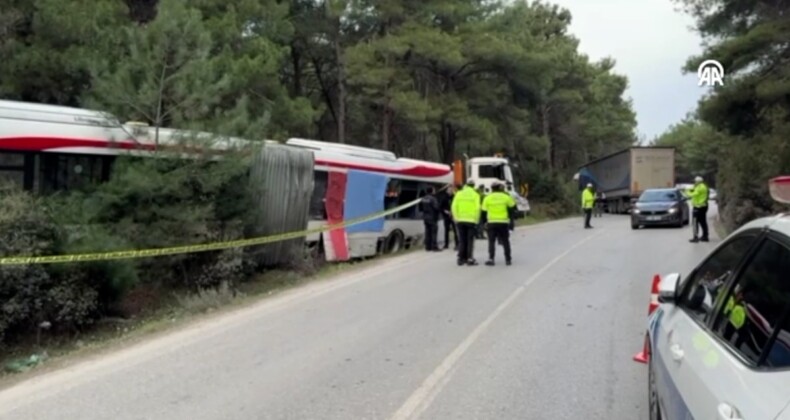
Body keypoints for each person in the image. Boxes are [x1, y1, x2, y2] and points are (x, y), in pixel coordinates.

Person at [481, 182, 516, 266]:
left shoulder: (487, 198)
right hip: (503, 222)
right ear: (500, 188)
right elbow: (513, 208)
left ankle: (491, 258)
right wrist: (510, 219)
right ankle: (508, 259)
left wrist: (484, 222)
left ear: (491, 189)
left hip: (492, 222)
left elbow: (483, 212)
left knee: (491, 241)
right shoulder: (506, 197)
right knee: (505, 241)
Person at [451, 180, 481, 266]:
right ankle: (469, 258)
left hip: (460, 220)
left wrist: (456, 218)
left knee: (462, 240)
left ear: (466, 185)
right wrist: (476, 220)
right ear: (474, 185)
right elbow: (477, 208)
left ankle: (461, 259)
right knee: (470, 240)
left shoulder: (459, 193)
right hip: (471, 220)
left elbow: (454, 206)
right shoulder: (475, 195)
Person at [684, 176, 710, 242]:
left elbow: (693, 194)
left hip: (698, 207)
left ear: (697, 181)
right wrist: (690, 188)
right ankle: (705, 236)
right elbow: (693, 188)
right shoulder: (703, 186)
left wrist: (687, 191)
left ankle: (695, 237)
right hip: (703, 206)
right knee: (702, 222)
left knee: (695, 222)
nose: (694, 182)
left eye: (695, 181)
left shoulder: (700, 187)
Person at [419, 187, 441, 251]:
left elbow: (420, 208)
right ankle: (434, 246)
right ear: (431, 191)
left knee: (427, 232)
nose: (434, 191)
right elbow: (436, 207)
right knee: (434, 232)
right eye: (434, 190)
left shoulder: (423, 198)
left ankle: (428, 247)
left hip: (425, 217)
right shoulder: (433, 199)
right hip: (432, 217)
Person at [439, 185, 459, 250]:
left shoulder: (455, 197)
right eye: (449, 190)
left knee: (455, 230)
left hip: (454, 216)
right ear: (447, 191)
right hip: (446, 216)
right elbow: (441, 207)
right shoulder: (444, 198)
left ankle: (457, 244)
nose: (450, 191)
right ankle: (446, 244)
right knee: (446, 230)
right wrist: (445, 212)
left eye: (451, 190)